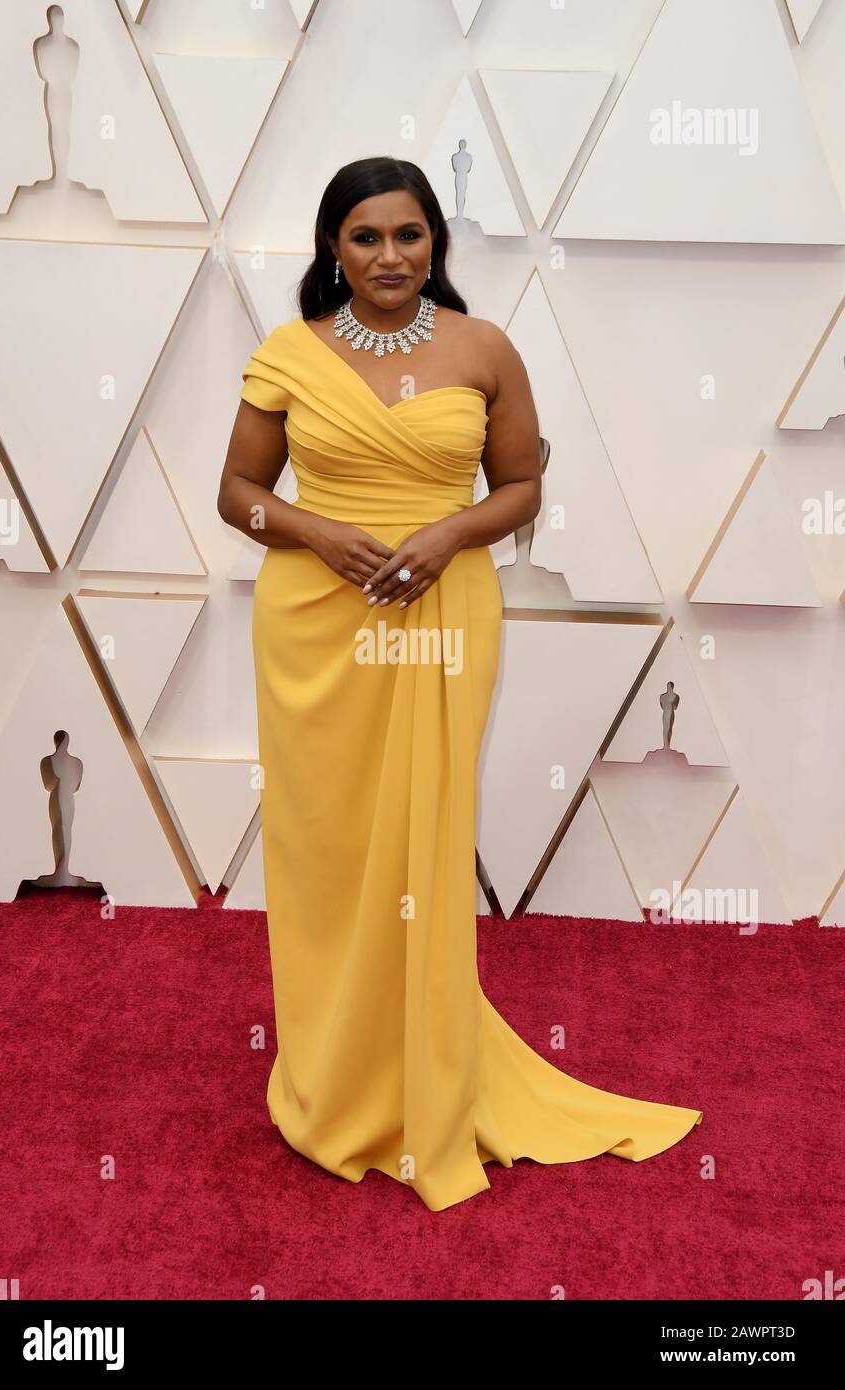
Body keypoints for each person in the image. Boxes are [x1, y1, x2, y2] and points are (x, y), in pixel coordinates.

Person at [217, 156, 703, 1212]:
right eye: (363, 237)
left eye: (407, 235)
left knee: (421, 839)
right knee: (327, 844)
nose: (388, 257)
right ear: (330, 250)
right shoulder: (288, 353)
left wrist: (445, 535)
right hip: (314, 625)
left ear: (436, 241)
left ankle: (422, 1074)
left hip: (441, 616)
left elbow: (522, 486)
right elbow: (237, 494)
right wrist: (316, 532)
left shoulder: (483, 347)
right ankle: (333, 1076)